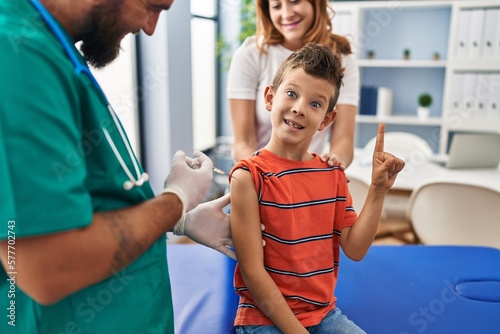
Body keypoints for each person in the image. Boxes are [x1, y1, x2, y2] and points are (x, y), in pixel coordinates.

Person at [0, 0, 234, 333]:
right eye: (152, 7)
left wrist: (180, 221)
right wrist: (175, 200)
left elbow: (89, 203)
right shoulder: (17, 56)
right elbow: (47, 267)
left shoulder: (57, 49)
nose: (150, 28)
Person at [229, 43, 405, 333]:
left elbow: (356, 248)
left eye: (315, 103)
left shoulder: (333, 174)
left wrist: (378, 190)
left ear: (326, 119)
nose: (299, 109)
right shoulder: (248, 176)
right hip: (264, 318)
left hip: (323, 315)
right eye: (291, 94)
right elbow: (252, 271)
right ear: (270, 98)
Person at [227, 0, 359, 170]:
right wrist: (267, 175)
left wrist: (332, 165)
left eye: (294, 1)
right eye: (276, 6)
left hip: (308, 178)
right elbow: (243, 142)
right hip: (258, 177)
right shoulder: (251, 54)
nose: (286, 13)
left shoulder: (343, 60)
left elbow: (343, 141)